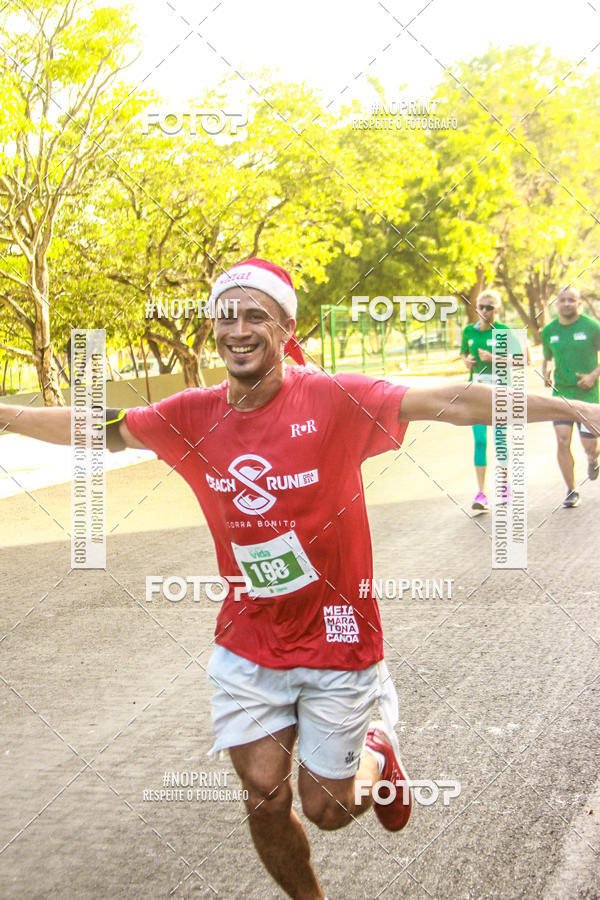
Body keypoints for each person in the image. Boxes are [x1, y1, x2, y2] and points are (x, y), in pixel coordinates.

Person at [2, 258, 599, 900]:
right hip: (249, 637)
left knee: (329, 809)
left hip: (338, 636)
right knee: (263, 795)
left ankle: (378, 746)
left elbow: (452, 402)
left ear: (286, 326)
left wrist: (575, 406)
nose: (238, 328)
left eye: (256, 314)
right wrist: (5, 415)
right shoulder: (191, 416)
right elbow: (97, 427)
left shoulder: (334, 399)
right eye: (225, 315)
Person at [541, 286, 600, 508]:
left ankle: (593, 459)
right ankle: (571, 490)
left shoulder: (592, 327)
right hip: (562, 395)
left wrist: (593, 376)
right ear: (557, 304)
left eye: (571, 300)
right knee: (563, 439)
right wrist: (545, 372)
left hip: (588, 396)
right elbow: (546, 357)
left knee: (589, 446)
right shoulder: (548, 331)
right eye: (562, 300)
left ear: (578, 303)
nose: (567, 304)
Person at [459, 289, 515, 512]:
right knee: (480, 441)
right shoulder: (468, 331)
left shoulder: (504, 331)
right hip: (476, 392)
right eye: (481, 306)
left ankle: (503, 487)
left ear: (497, 309)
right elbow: (463, 353)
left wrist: (495, 358)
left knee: (500, 440)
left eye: (489, 307)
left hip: (500, 391)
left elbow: (521, 360)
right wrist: (467, 361)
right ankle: (481, 493)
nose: (484, 311)